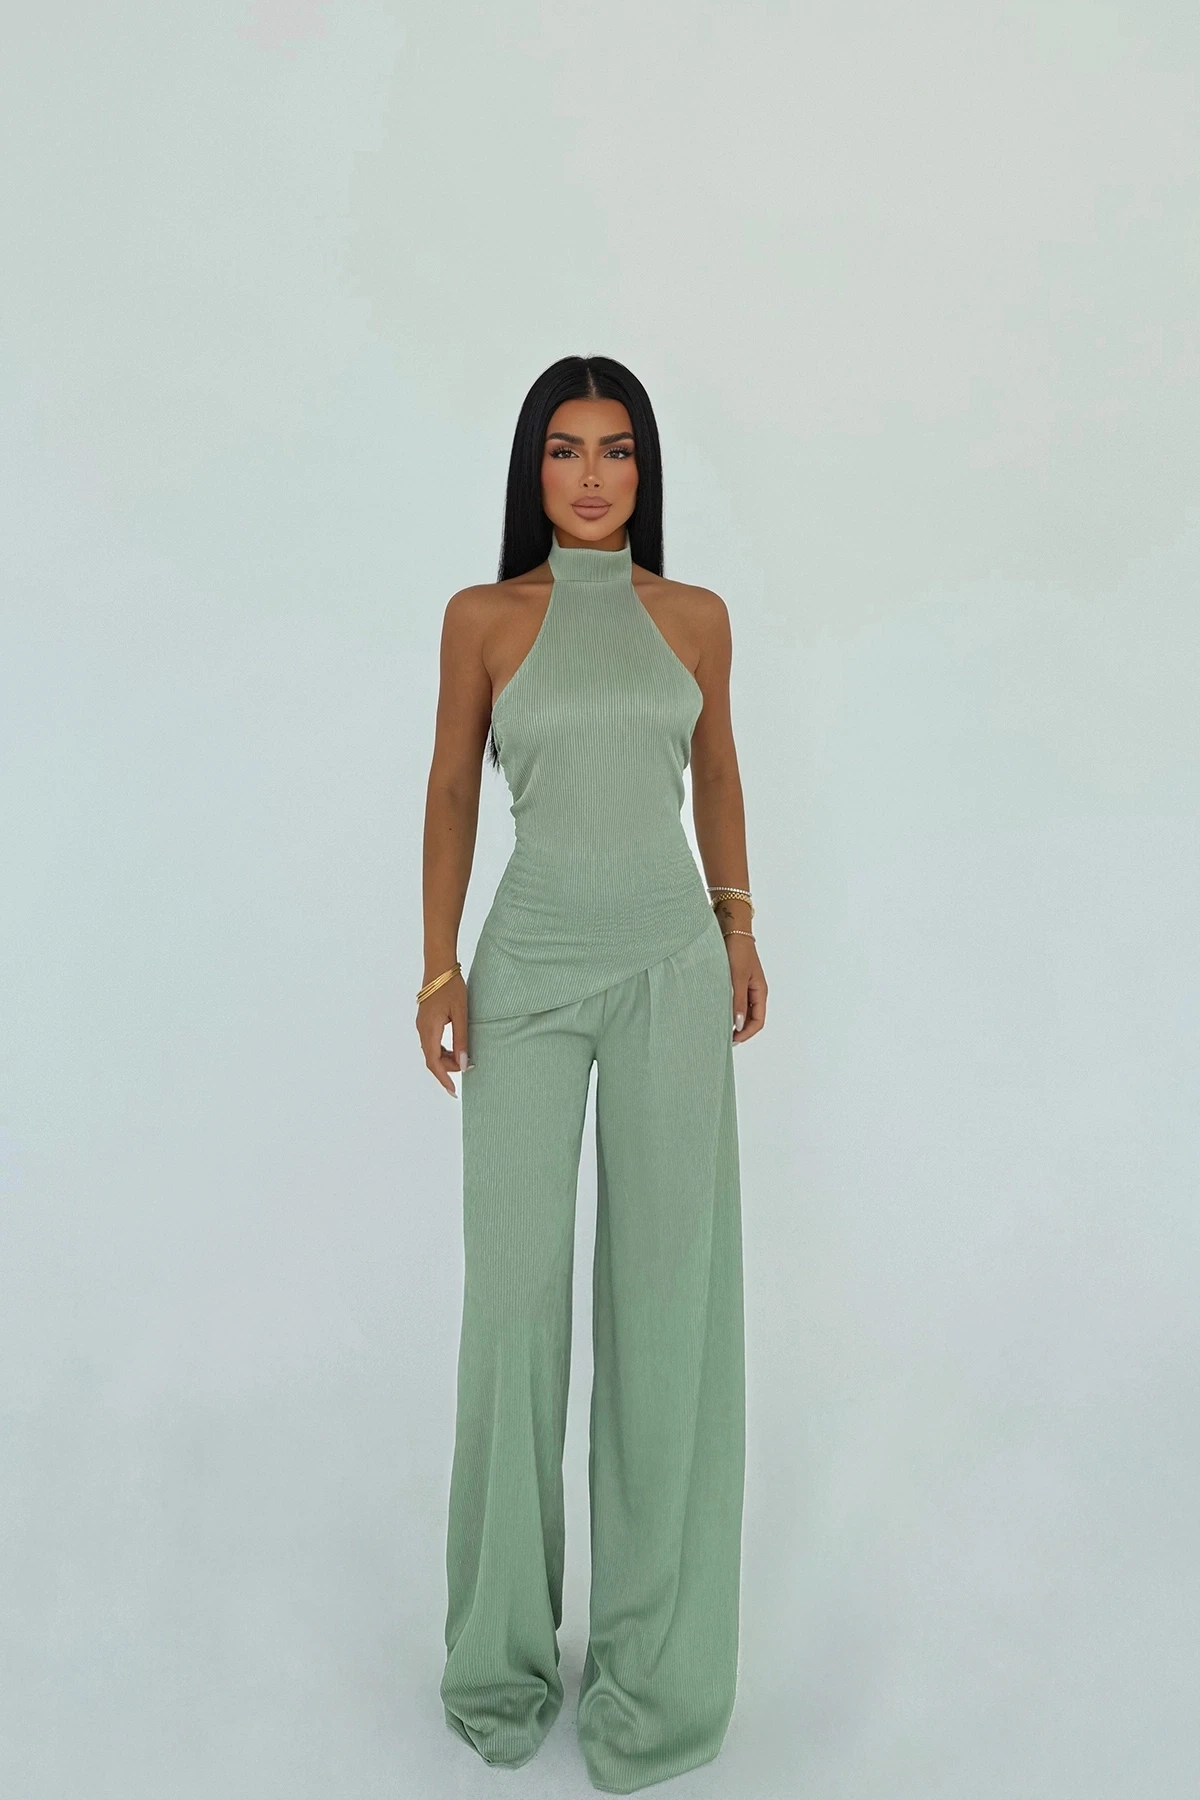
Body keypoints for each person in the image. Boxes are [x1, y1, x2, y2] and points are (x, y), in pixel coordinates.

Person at [416, 353, 767, 1794]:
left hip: (672, 969)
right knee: (514, 1313)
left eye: (616, 450)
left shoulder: (695, 618)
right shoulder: (486, 618)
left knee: (669, 1317)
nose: (592, 475)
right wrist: (436, 966)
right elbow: (451, 785)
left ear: (644, 468)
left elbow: (720, 776)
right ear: (533, 469)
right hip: (529, 975)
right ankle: (500, 1661)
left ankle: (655, 1681)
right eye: (565, 450)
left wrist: (739, 926)